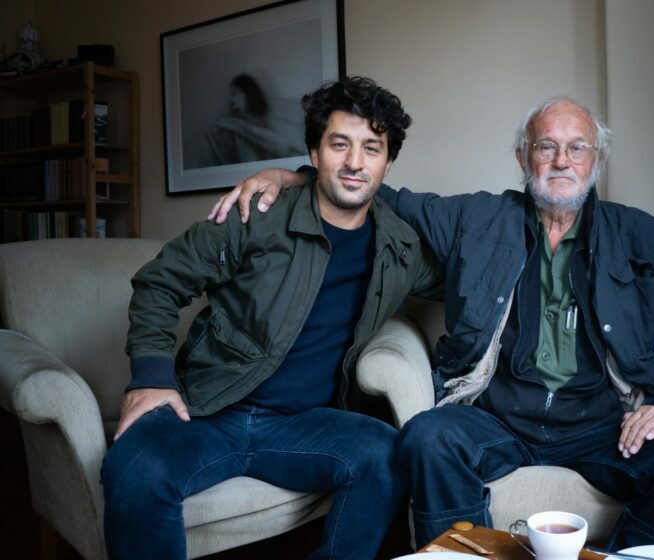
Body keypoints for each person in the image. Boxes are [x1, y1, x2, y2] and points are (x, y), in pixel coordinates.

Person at [209, 95, 654, 551]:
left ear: (596, 159)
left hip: (602, 427)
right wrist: (297, 177)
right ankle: (468, 557)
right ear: (522, 156)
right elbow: (383, 195)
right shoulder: (478, 219)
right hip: (499, 419)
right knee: (425, 438)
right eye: (546, 146)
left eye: (577, 147)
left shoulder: (644, 236)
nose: (561, 160)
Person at [100, 76, 441, 560]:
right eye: (339, 144)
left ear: (387, 163)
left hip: (304, 425)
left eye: (372, 148)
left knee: (387, 455)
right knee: (134, 470)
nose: (354, 162)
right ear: (315, 153)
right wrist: (151, 376)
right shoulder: (255, 213)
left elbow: (464, 277)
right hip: (208, 410)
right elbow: (161, 281)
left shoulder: (399, 248)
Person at [188, 73, 306, 169]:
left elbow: (281, 147)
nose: (232, 99)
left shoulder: (262, 118)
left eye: (235, 93)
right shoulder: (231, 122)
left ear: (246, 93)